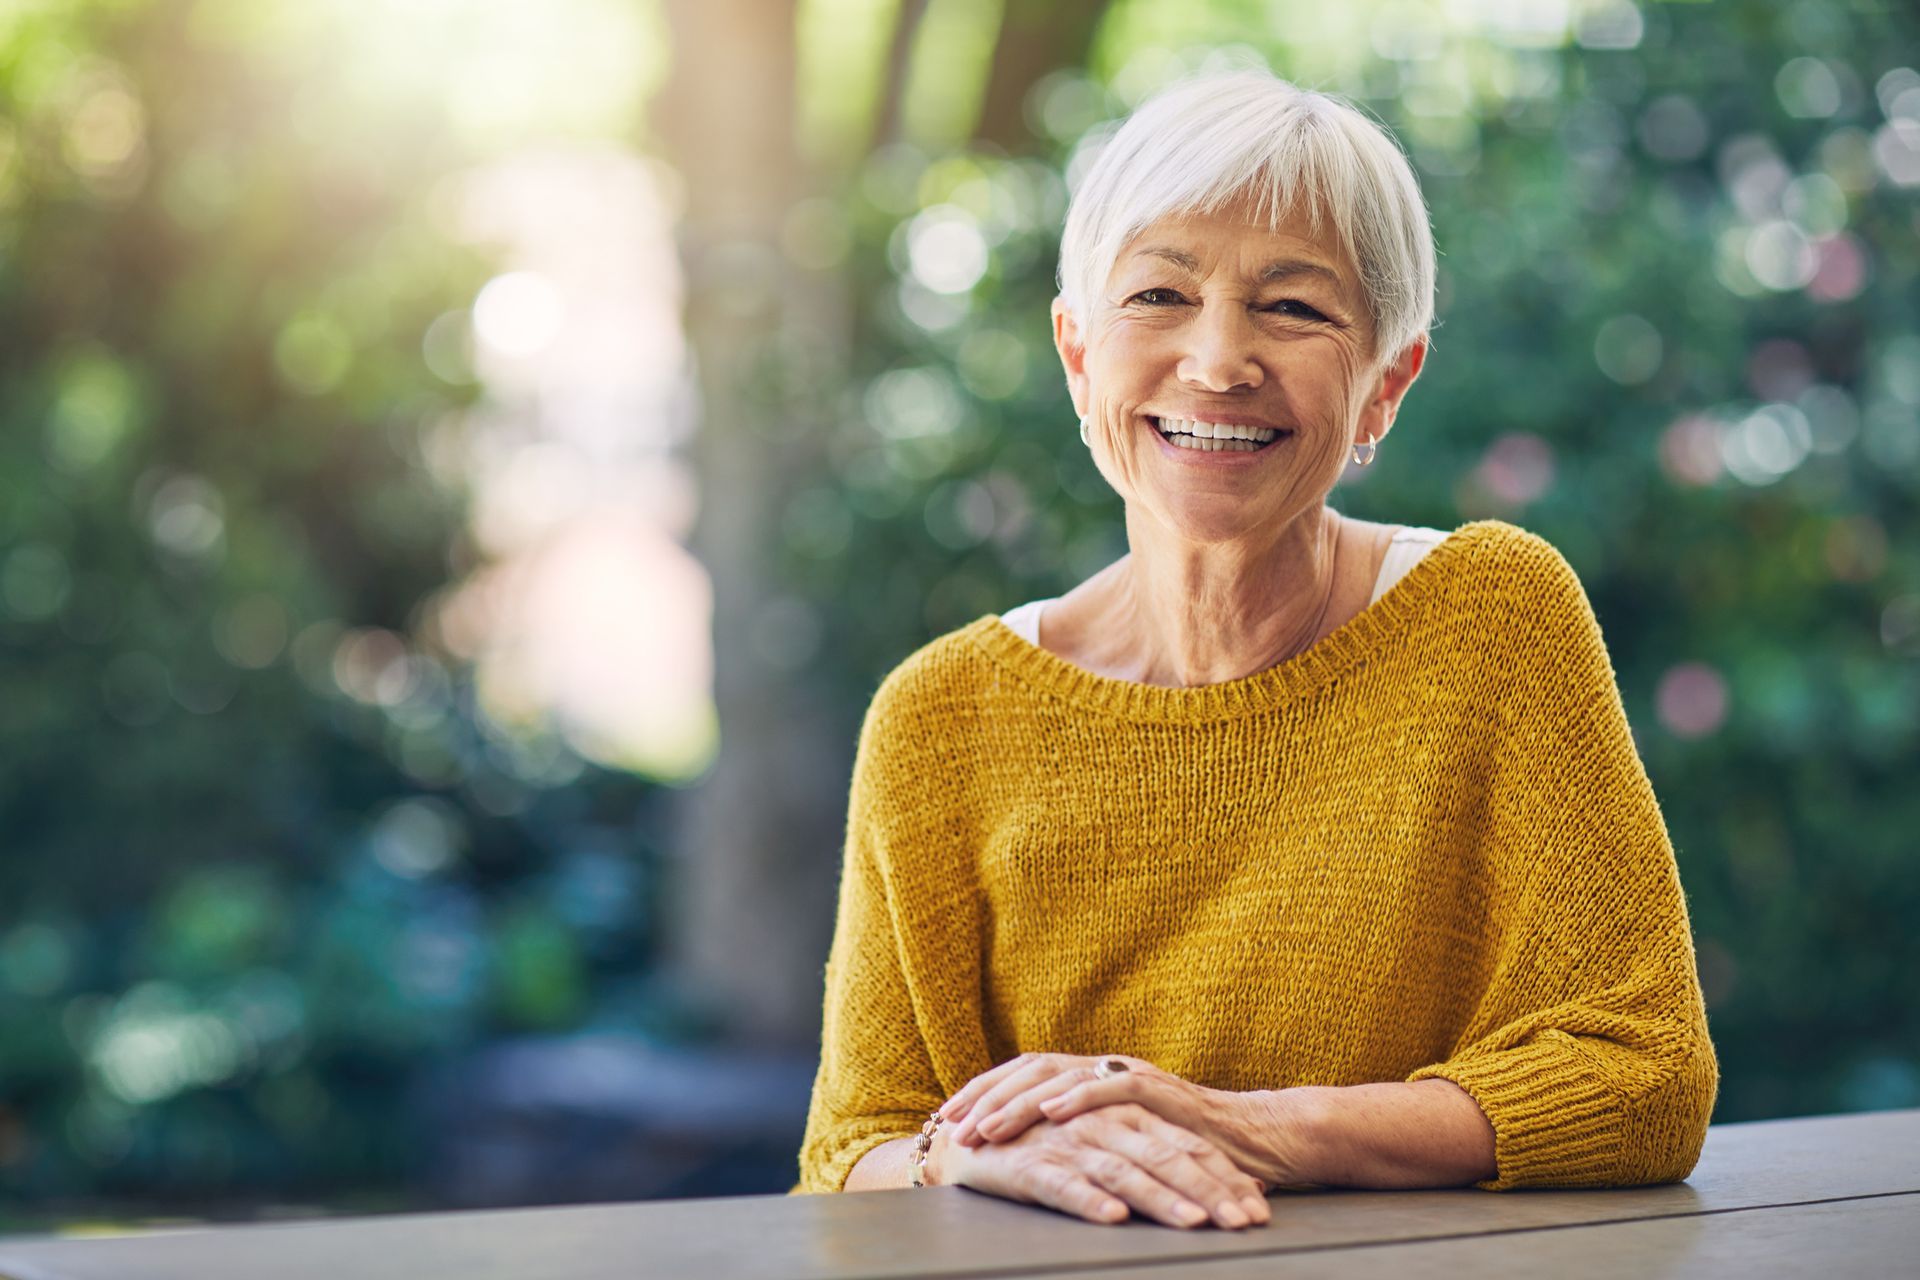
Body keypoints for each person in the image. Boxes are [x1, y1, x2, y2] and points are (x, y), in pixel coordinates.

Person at [792, 69, 1718, 1230]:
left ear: (1386, 381)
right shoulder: (939, 717)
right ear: (1079, 358)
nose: (1220, 361)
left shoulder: (1496, 619)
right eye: (1160, 295)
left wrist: (1247, 1125)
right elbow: (847, 1155)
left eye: (1294, 308)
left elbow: (1645, 1076)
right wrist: (960, 1158)